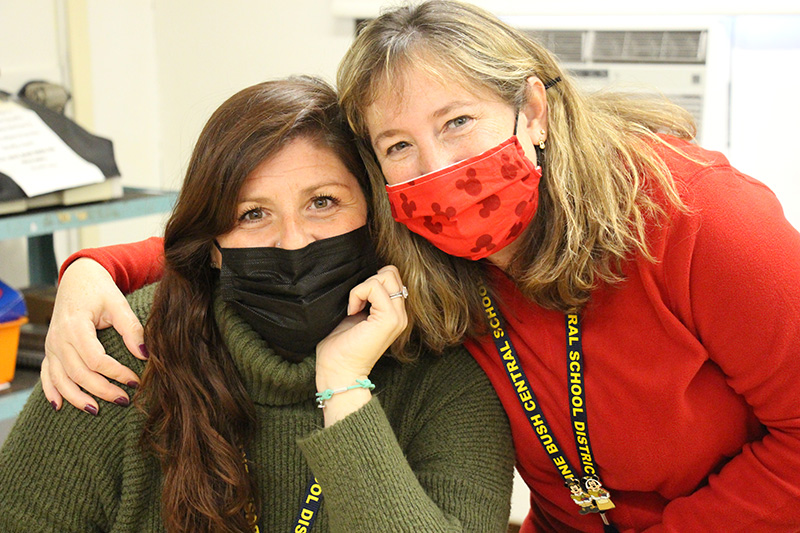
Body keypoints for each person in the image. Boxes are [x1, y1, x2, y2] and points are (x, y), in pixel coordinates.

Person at [34, 1, 800, 531]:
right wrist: (94, 268)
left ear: (533, 111)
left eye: (459, 122)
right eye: (400, 146)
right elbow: (253, 230)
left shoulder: (703, 217)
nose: (438, 169)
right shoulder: (427, 243)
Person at [0, 76, 516, 533]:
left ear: (375, 213)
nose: (293, 242)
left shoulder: (446, 373)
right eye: (252, 214)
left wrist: (345, 387)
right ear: (214, 246)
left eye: (323, 203)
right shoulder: (117, 356)